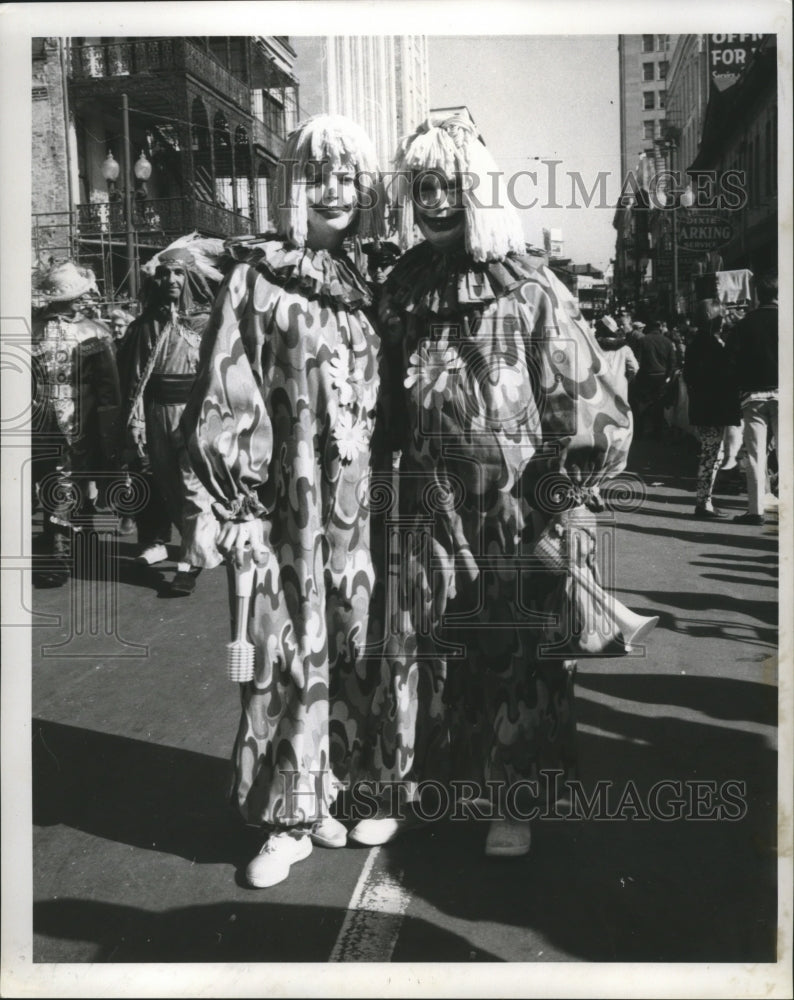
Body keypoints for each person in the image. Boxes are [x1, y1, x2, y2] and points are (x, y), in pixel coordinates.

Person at [372, 114, 636, 858]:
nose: (432, 200)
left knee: (516, 652)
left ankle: (513, 798)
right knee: (435, 649)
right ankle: (446, 784)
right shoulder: (402, 289)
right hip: (430, 509)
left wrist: (561, 499)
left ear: (476, 190)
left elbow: (586, 408)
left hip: (515, 508)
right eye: (420, 186)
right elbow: (386, 406)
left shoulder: (530, 286)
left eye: (446, 184)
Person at [182, 114, 387, 888]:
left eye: (350, 175)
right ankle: (285, 818)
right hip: (283, 510)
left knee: (350, 649)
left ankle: (329, 791)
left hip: (362, 513)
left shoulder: (373, 286)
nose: (336, 189)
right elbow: (229, 387)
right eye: (320, 174)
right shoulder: (256, 278)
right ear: (293, 185)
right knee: (278, 653)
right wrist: (235, 506)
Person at [123, 237, 224, 594]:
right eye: (165, 275)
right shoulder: (145, 325)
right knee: (168, 486)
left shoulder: (206, 323)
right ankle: (197, 542)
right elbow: (136, 377)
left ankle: (189, 563)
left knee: (193, 487)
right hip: (155, 414)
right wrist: (135, 421)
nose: (171, 281)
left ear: (190, 278)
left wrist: (208, 419)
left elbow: (219, 377)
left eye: (178, 274)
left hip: (193, 413)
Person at [31, 261, 122, 586]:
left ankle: (60, 552)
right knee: (55, 484)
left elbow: (107, 385)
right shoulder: (33, 328)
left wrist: (110, 427)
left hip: (81, 419)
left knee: (72, 482)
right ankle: (76, 543)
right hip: (39, 421)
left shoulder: (94, 332)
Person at [682, 300, 741, 520]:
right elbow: (722, 373)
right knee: (710, 454)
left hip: (705, 407)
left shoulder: (700, 342)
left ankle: (705, 501)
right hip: (712, 408)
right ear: (713, 317)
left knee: (713, 454)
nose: (724, 318)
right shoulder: (708, 343)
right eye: (722, 315)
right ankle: (703, 502)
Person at [731, 272, 778, 526]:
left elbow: (732, 359)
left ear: (758, 296)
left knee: (755, 454)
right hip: (784, 394)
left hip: (753, 396)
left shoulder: (745, 323)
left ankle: (755, 510)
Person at [632, 318, 676, 437]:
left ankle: (639, 431)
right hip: (661, 377)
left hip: (646, 376)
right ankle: (657, 432)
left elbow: (637, 360)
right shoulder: (667, 341)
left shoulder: (643, 340)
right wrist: (668, 376)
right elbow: (672, 362)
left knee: (643, 404)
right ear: (660, 328)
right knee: (659, 404)